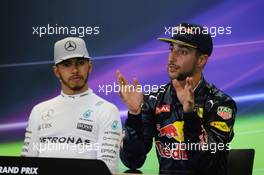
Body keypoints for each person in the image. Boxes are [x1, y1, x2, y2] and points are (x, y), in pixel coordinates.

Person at [117, 23, 237, 175]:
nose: (172, 58)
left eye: (183, 52)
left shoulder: (221, 104)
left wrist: (190, 114)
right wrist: (134, 115)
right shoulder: (154, 100)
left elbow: (205, 163)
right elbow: (132, 161)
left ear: (201, 60)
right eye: (171, 49)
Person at [21, 37, 122, 173]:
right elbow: (26, 167)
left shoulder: (107, 110)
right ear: (56, 71)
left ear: (89, 67)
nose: (74, 70)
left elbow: (107, 169)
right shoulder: (39, 111)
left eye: (80, 63)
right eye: (67, 64)